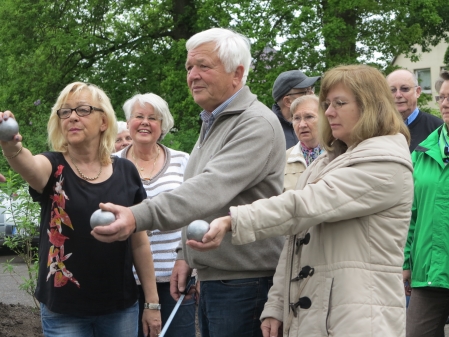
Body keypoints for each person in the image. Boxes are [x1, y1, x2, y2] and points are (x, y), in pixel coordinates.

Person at [191, 64, 414, 337]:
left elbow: (305, 205)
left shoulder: (385, 164)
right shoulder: (325, 161)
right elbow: (295, 242)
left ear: (370, 106)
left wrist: (233, 220)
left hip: (358, 321)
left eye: (339, 103)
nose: (328, 112)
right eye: (327, 103)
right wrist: (276, 305)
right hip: (318, 316)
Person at [92, 28, 286, 337]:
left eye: (203, 66)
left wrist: (135, 216)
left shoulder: (254, 123)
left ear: (237, 74)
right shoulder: (214, 121)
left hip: (245, 281)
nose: (192, 75)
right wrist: (187, 256)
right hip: (218, 277)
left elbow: (208, 189)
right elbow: (203, 196)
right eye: (189, 67)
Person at [0, 82, 161, 337]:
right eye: (65, 112)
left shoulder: (126, 171)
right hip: (64, 311)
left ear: (104, 122)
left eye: (83, 109)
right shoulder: (53, 167)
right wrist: (10, 146)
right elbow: (29, 165)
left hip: (119, 307)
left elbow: (139, 242)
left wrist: (152, 303)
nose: (72, 116)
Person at [114, 93, 194, 337]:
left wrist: (194, 265)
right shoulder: (111, 164)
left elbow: (196, 213)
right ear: (128, 123)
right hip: (124, 280)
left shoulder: (184, 161)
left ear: (163, 125)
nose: (145, 122)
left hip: (175, 277)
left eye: (153, 118)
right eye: (139, 116)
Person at [403, 70, 449, 337]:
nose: (445, 103)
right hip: (428, 273)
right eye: (442, 97)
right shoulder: (422, 152)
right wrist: (405, 263)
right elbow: (411, 215)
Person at [386, 69, 443, 152]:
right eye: (392, 90)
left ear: (418, 92)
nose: (398, 95)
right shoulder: (378, 128)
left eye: (405, 89)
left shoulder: (437, 128)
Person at [271, 70, 321, 149]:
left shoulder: (324, 122)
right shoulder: (268, 130)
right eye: (305, 92)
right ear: (288, 101)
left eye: (311, 89)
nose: (312, 94)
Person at [284, 95, 323, 192]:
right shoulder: (283, 160)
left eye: (309, 117)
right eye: (296, 118)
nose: (302, 125)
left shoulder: (340, 154)